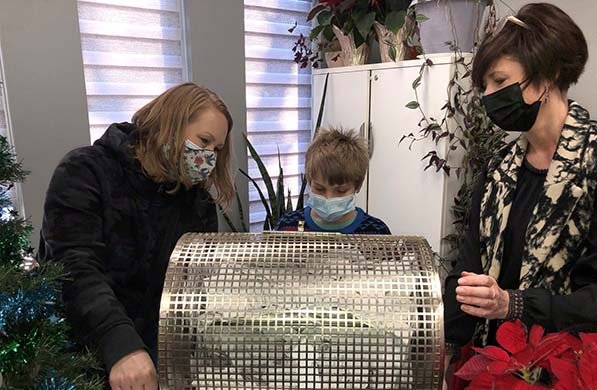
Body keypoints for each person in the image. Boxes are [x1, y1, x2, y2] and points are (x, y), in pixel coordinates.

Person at [38, 83, 235, 389]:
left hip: (157, 357)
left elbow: (194, 290)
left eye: (217, 150)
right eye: (204, 141)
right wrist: (121, 345)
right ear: (168, 126)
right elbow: (73, 268)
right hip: (81, 355)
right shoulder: (85, 171)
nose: (208, 156)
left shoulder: (197, 202)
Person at [442, 3, 597, 388]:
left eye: (499, 81)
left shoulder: (592, 163)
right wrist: (443, 346)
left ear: (546, 78)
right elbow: (468, 271)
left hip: (570, 369)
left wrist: (515, 304)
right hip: (491, 368)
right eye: (484, 87)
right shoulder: (498, 171)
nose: (488, 96)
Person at [277, 128, 390, 234]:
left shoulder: (376, 231)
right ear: (310, 182)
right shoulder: (287, 226)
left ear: (358, 185)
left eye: (341, 191)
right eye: (319, 189)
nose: (329, 198)